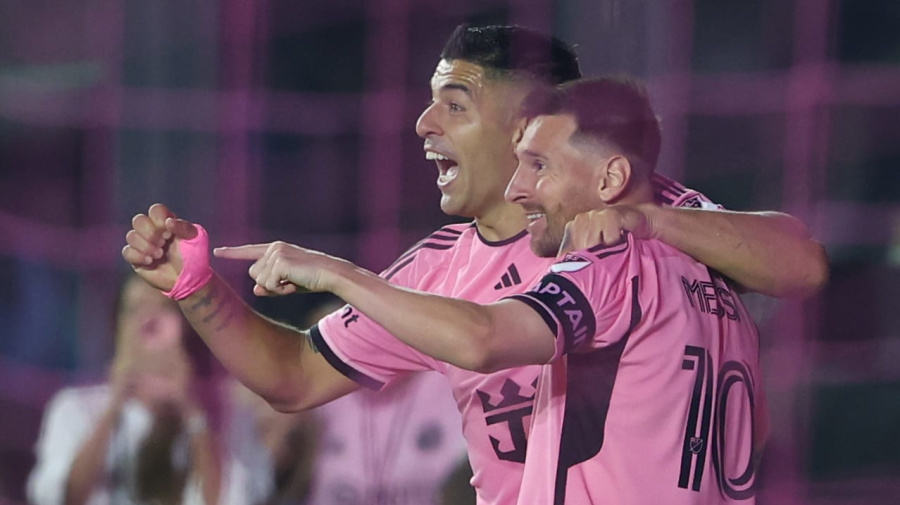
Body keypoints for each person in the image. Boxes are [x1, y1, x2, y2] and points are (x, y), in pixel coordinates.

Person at [121, 25, 826, 504]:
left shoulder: (636, 230)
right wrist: (196, 287)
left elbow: (800, 262)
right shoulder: (438, 270)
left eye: (453, 104)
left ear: (531, 120)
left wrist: (338, 272)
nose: (424, 124)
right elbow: (295, 374)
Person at [216, 77, 767, 503]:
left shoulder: (608, 260)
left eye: (540, 167)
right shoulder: (718, 279)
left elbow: (484, 338)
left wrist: (339, 274)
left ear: (610, 180)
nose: (517, 188)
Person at [27, 275, 222, 505]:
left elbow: (224, 498)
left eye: (164, 308)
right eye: (136, 309)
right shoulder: (73, 407)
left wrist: (192, 410)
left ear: (185, 325)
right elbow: (64, 497)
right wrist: (114, 404)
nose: (150, 322)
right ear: (117, 325)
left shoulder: (219, 415)